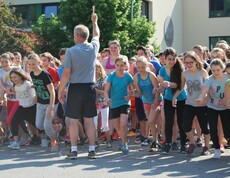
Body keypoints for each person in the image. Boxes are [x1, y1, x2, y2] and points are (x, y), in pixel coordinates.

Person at [58, 12, 100, 160]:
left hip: (75, 88)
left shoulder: (70, 51)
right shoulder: (94, 47)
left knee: (73, 121)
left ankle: (74, 150)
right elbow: (97, 35)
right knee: (89, 120)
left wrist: (61, 90)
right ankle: (92, 150)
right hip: (89, 87)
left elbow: (66, 74)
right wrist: (94, 22)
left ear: (76, 35)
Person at [195, 58, 229, 159]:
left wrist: (227, 100)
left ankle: (224, 141)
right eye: (213, 70)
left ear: (222, 68)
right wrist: (200, 98)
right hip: (212, 107)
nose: (215, 72)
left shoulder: (227, 77)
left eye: (218, 70)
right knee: (213, 128)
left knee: (227, 130)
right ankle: (217, 149)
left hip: (225, 107)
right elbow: (204, 90)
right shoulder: (210, 79)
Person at [27, 53, 60, 152]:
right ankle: (56, 127)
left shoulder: (45, 74)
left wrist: (51, 107)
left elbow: (52, 91)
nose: (32, 66)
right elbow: (38, 87)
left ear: (38, 62)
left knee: (46, 125)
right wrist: (36, 97)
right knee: (39, 125)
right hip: (40, 102)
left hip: (50, 102)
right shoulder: (32, 74)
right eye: (29, 64)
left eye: (34, 64)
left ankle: (54, 142)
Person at [158, 47, 187, 153]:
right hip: (168, 98)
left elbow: (180, 85)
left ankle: (183, 144)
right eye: (169, 59)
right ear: (164, 59)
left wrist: (169, 84)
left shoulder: (180, 68)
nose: (171, 61)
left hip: (181, 98)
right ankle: (168, 142)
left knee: (181, 122)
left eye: (173, 59)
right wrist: (160, 88)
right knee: (168, 121)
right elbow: (162, 85)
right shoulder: (162, 70)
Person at [181, 51, 210, 155]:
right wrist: (175, 97)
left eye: (190, 62)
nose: (188, 64)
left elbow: (208, 86)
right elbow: (181, 87)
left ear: (196, 61)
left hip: (202, 104)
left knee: (204, 127)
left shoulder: (202, 72)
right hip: (190, 103)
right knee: (186, 125)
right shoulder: (185, 73)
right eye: (186, 62)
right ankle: (192, 143)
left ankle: (206, 147)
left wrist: (206, 98)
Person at [104, 57, 134, 154]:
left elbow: (133, 90)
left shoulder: (128, 76)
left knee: (123, 124)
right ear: (115, 66)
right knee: (117, 126)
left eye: (122, 65)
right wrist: (107, 99)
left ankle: (124, 144)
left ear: (125, 66)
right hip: (114, 103)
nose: (120, 67)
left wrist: (129, 96)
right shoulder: (111, 76)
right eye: (118, 65)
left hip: (124, 103)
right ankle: (123, 139)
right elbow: (106, 90)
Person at [133, 56, 162, 152]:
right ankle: (155, 141)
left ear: (146, 66)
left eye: (142, 67)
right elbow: (139, 93)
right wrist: (133, 94)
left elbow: (157, 90)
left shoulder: (151, 75)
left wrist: (155, 102)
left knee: (150, 121)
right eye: (138, 67)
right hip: (145, 101)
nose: (140, 69)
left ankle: (158, 140)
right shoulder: (136, 77)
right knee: (152, 122)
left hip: (156, 101)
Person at [7, 68, 36, 149]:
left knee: (35, 123)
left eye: (15, 77)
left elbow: (33, 90)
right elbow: (18, 96)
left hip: (31, 106)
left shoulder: (26, 83)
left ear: (20, 76)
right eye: (11, 77)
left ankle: (45, 137)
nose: (13, 79)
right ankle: (16, 141)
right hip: (22, 106)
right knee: (14, 121)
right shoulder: (15, 86)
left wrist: (34, 86)